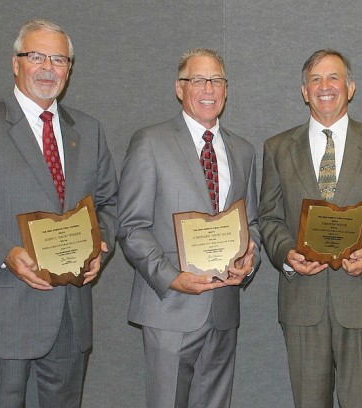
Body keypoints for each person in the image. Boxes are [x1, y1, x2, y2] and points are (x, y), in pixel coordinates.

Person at [0, 19, 118, 407]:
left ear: (69, 70)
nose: (47, 67)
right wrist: (4, 254)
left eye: (58, 59)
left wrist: (99, 248)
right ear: (15, 63)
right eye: (36, 56)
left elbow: (109, 203)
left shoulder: (88, 131)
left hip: (68, 323)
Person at [259, 49, 362, 408]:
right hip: (302, 301)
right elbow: (269, 216)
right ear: (303, 91)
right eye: (315, 79)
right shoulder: (277, 148)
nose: (324, 86)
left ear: (350, 87)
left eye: (333, 78)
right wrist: (286, 254)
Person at [117, 48, 260, 408]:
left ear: (226, 90)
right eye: (198, 80)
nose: (208, 88)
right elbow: (132, 226)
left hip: (224, 308)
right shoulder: (150, 142)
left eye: (216, 80)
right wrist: (170, 277)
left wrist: (249, 257)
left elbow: (252, 223)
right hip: (170, 306)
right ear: (180, 88)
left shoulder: (242, 151)